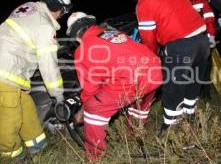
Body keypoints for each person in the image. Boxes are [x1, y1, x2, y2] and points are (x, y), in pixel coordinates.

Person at [0, 0, 72, 158]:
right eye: (63, 11)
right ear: (59, 9)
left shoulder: (30, 7)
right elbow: (48, 65)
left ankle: (38, 145)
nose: (62, 14)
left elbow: (25, 36)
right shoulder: (46, 27)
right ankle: (11, 156)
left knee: (26, 107)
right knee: (10, 115)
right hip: (5, 70)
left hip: (4, 62)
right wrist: (58, 95)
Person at [67, 12, 162, 161]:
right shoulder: (113, 32)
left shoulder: (83, 49)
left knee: (93, 109)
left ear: (76, 37)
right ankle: (135, 134)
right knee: (139, 104)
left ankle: (94, 156)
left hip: (131, 78)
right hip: (155, 70)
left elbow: (90, 87)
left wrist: (84, 109)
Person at [135, 0, 210, 134]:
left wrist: (153, 58)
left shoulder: (144, 2)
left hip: (182, 45)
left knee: (173, 86)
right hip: (202, 40)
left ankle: (171, 128)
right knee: (193, 81)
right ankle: (190, 116)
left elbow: (148, 37)